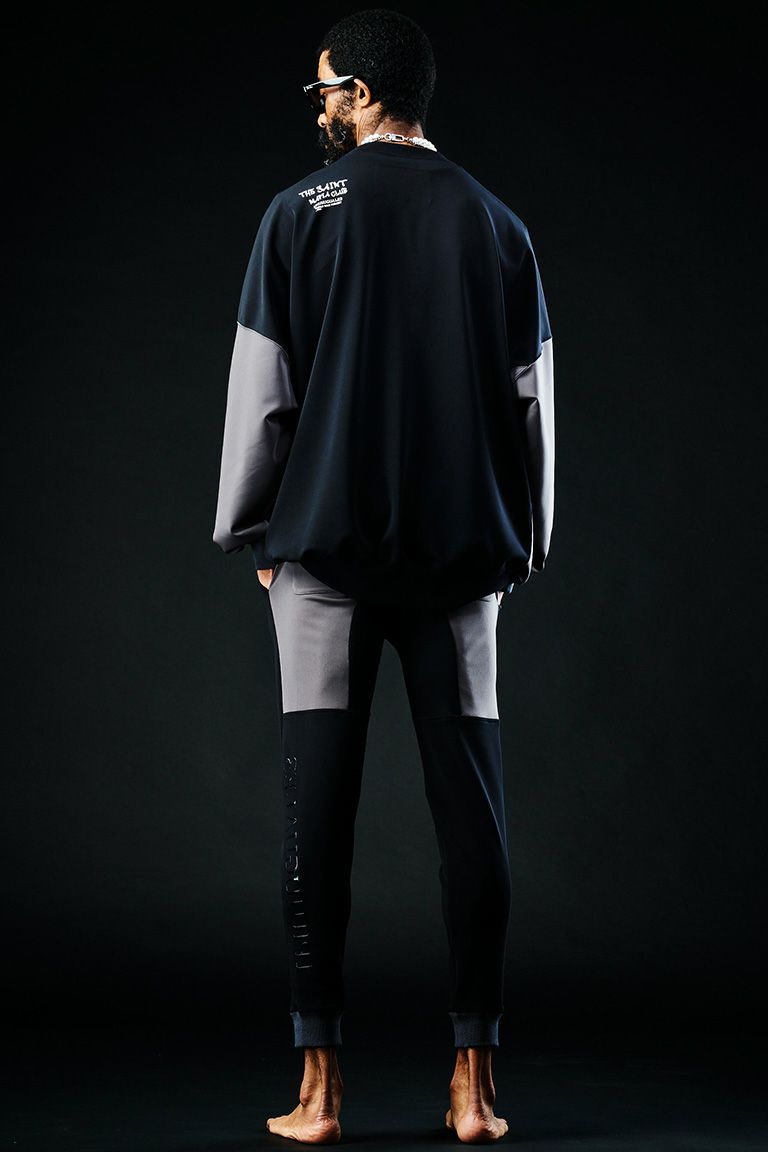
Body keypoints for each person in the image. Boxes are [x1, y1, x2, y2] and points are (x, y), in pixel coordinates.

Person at [212, 7, 554, 1144]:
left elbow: (262, 385)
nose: (317, 107)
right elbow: (533, 401)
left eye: (324, 89)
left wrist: (253, 530)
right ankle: (475, 1090)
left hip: (323, 560)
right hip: (463, 563)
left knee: (318, 815)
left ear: (360, 94)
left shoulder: (295, 213)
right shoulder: (498, 223)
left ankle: (319, 1094)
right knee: (473, 817)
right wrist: (525, 540)